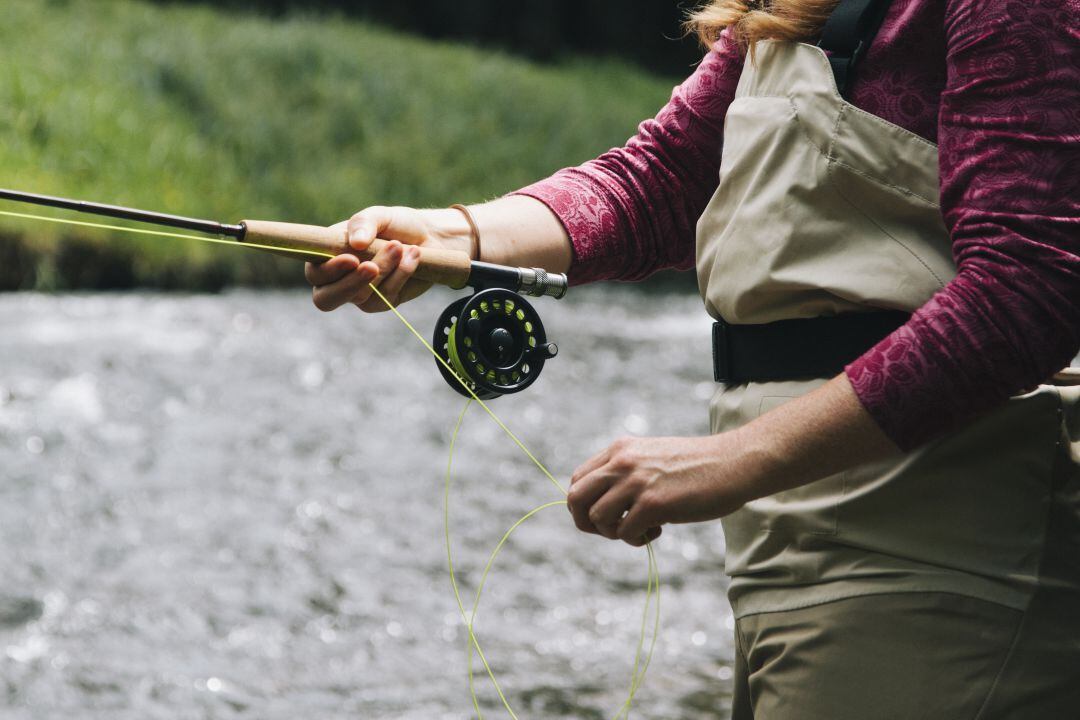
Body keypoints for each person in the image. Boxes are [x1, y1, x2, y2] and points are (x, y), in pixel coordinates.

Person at [305, 0, 1080, 717]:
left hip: (948, 553)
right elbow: (664, 179)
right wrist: (454, 237)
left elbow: (1029, 291)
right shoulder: (788, 6)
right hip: (790, 548)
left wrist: (730, 461)